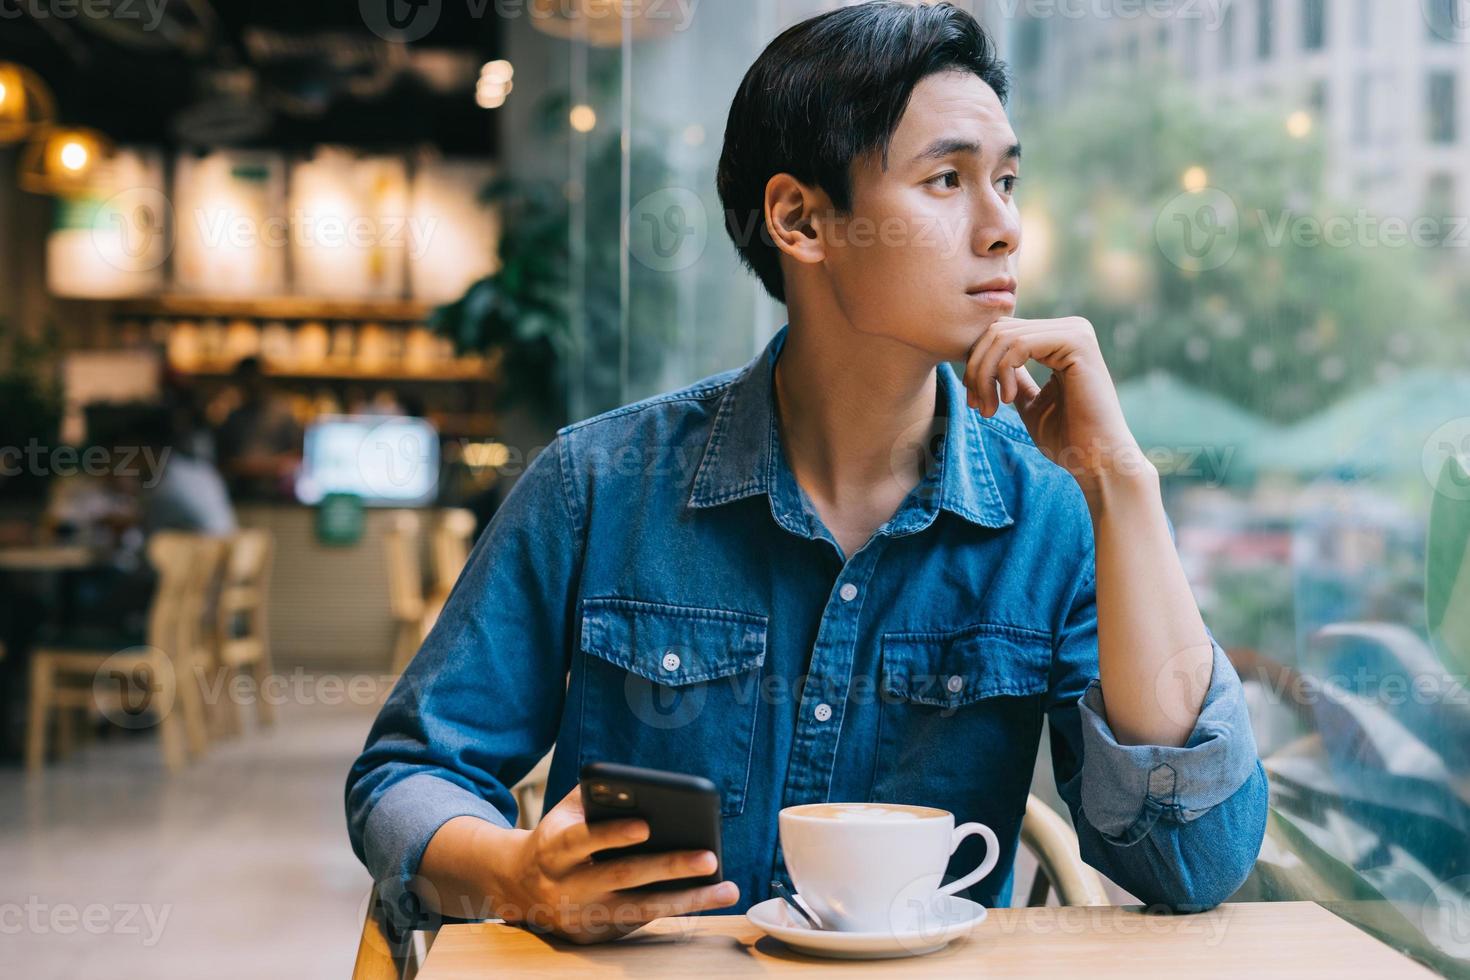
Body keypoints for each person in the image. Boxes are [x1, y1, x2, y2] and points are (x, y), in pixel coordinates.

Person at [346, 1, 1267, 943]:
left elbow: (1189, 862)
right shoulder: (600, 483)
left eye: (1009, 180)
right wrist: (518, 873)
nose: (1004, 230)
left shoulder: (1050, 516)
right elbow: (408, 777)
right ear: (800, 220)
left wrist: (1120, 482)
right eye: (948, 179)